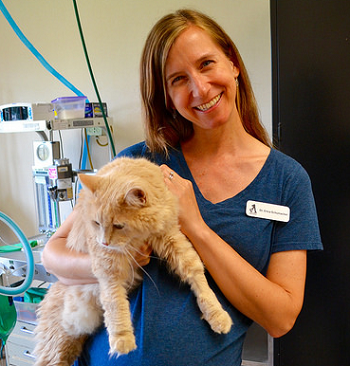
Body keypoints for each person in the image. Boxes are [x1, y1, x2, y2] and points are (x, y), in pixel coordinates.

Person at [41, 9, 323, 366]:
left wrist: (196, 227)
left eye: (206, 64)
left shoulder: (286, 181)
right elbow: (54, 254)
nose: (199, 89)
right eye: (178, 79)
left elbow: (280, 317)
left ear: (233, 63)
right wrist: (116, 259)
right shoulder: (137, 165)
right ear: (167, 97)